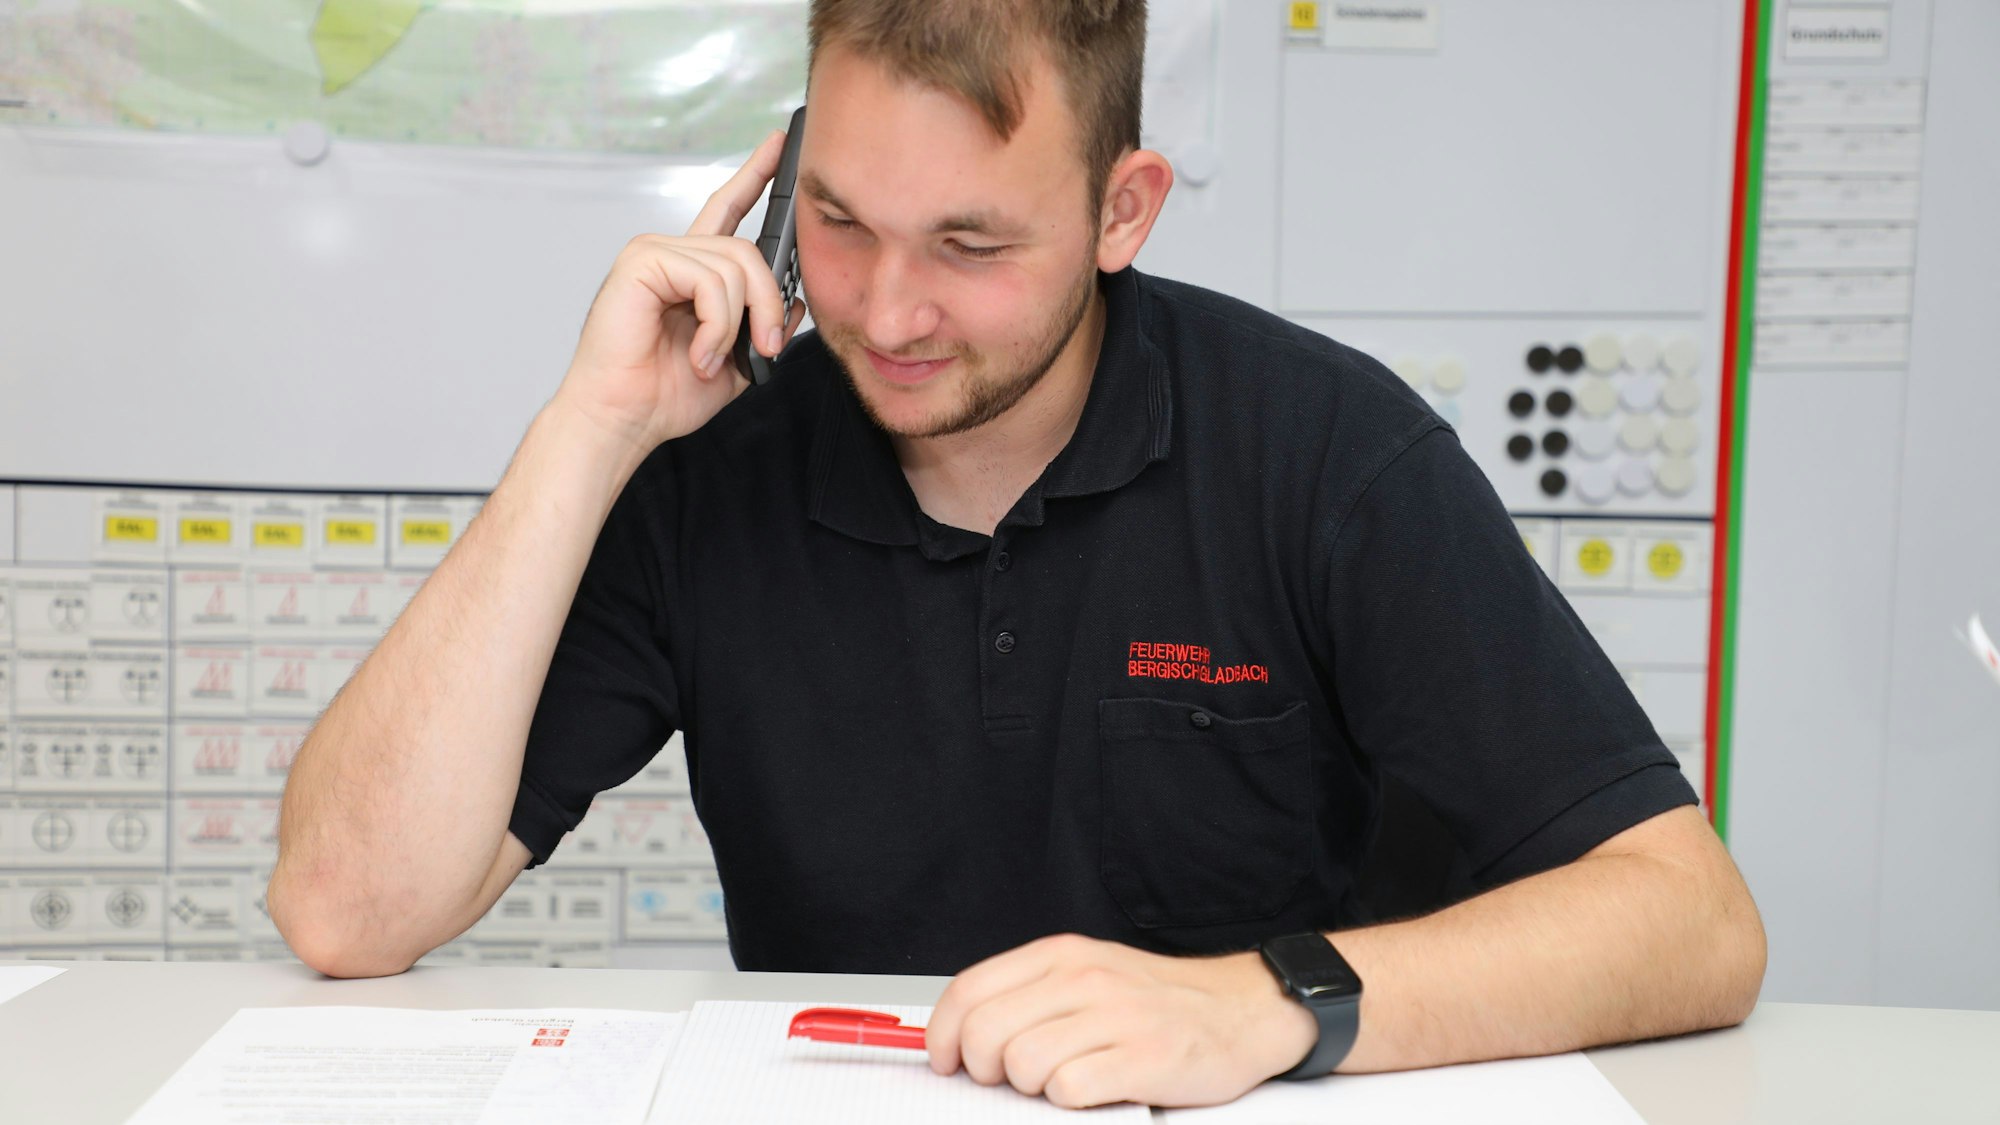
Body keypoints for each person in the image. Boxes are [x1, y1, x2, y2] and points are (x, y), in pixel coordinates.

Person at [269, 0, 1766, 1109]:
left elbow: (1690, 917)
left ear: (1124, 209)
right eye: (842, 220)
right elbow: (347, 907)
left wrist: (1257, 1006)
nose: (889, 311)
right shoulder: (714, 458)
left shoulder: (1323, 450)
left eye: (972, 247)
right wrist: (588, 429)